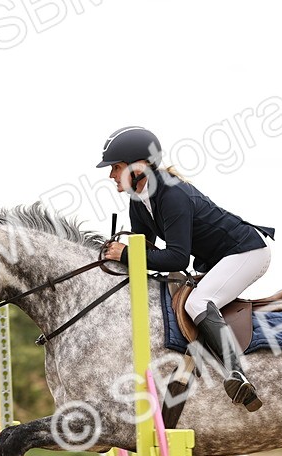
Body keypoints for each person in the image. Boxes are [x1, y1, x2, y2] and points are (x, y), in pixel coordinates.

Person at [97, 126, 273, 412]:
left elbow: (177, 259)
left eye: (115, 167)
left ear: (138, 166)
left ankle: (237, 373)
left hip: (246, 252)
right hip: (220, 259)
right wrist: (119, 256)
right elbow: (147, 254)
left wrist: (126, 254)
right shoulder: (138, 201)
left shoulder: (172, 194)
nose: (111, 175)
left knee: (198, 302)